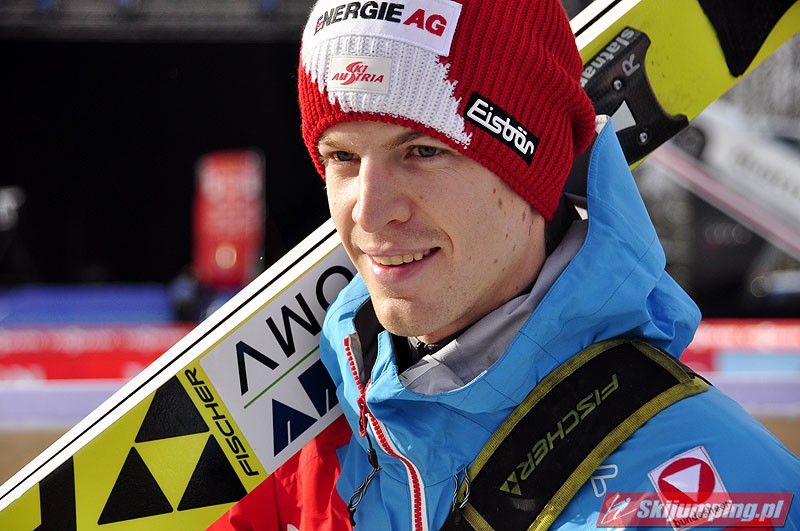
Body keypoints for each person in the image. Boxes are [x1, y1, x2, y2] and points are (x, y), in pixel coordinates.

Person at [211, 0, 800, 529]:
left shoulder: (724, 496)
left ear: (531, 170)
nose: (369, 210)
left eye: (423, 151)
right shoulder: (296, 462)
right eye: (342, 156)